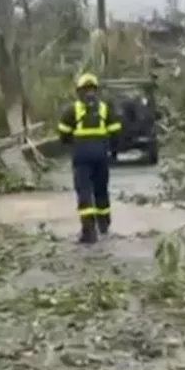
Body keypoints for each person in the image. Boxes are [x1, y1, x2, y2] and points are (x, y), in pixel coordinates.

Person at [56, 72, 122, 244]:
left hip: (82, 157)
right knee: (101, 191)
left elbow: (63, 135)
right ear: (95, 90)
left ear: (79, 91)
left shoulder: (72, 110)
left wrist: (75, 144)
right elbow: (116, 132)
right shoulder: (105, 109)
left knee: (84, 192)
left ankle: (89, 232)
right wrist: (112, 151)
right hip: (101, 156)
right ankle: (104, 227)